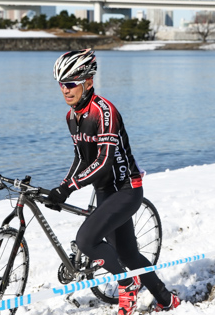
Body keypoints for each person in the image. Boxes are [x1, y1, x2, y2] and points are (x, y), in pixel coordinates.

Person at [45, 49, 181, 315]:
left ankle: (127, 283)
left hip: (127, 189)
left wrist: (69, 187)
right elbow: (81, 158)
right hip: (105, 192)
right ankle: (167, 299)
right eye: (61, 84)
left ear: (88, 82)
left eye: (71, 84)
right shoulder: (72, 117)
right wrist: (62, 187)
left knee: (86, 239)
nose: (65, 90)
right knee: (128, 253)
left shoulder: (104, 111)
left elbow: (105, 160)